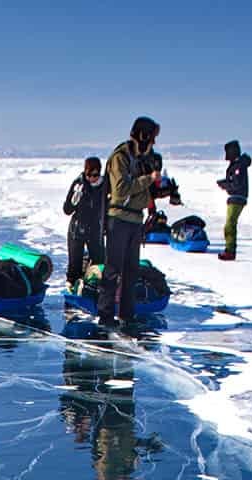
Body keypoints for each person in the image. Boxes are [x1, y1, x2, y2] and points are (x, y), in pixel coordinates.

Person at [100, 116, 168, 326]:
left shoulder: (144, 159)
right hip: (118, 219)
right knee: (113, 270)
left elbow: (145, 191)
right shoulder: (120, 158)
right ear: (143, 135)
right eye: (152, 137)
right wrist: (149, 179)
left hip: (135, 221)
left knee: (131, 271)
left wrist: (163, 189)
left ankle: (127, 315)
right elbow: (120, 190)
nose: (154, 143)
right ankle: (105, 316)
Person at [62, 156, 107, 289]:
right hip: (77, 229)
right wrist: (73, 200)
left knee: (99, 261)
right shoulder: (79, 184)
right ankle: (72, 287)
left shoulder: (105, 186)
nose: (91, 178)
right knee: (74, 263)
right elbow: (67, 210)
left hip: (95, 229)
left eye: (95, 175)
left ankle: (95, 287)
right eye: (88, 175)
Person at [216, 141, 251, 261]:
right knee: (230, 224)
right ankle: (229, 250)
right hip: (236, 197)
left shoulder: (238, 166)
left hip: (237, 197)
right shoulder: (238, 164)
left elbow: (236, 184)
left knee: (230, 224)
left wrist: (225, 185)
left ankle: (230, 251)